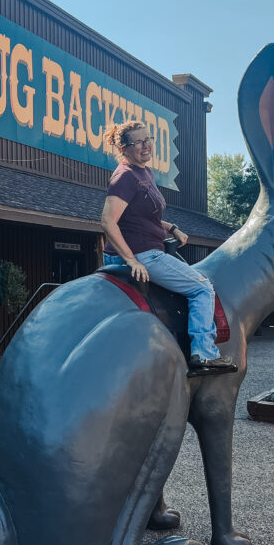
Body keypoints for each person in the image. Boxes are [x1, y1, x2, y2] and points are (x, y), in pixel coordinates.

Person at [100, 119, 236, 375]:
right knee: (202, 288)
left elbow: (141, 216)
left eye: (147, 139)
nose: (145, 146)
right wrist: (132, 260)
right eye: (137, 142)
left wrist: (171, 228)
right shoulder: (125, 176)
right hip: (144, 254)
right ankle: (204, 354)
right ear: (124, 148)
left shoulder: (144, 173)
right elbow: (108, 221)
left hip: (148, 249)